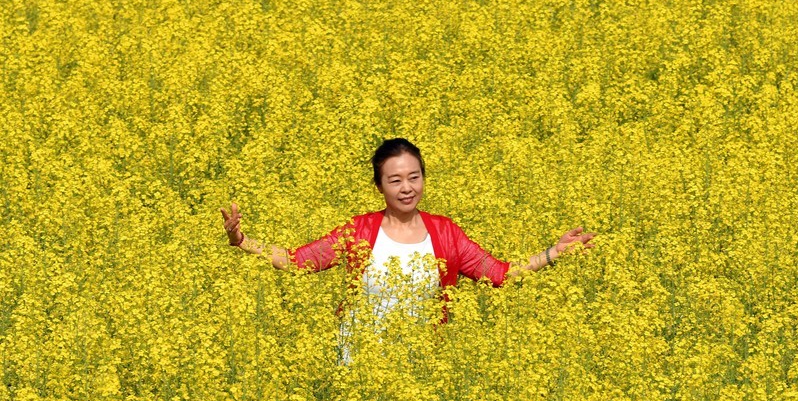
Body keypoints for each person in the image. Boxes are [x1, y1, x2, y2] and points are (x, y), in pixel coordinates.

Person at [219, 138, 596, 324]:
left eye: (414, 177)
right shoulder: (360, 231)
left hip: (427, 364)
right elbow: (297, 261)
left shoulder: (446, 234)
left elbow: (499, 275)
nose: (406, 187)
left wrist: (554, 253)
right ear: (379, 186)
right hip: (359, 363)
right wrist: (242, 242)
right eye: (395, 180)